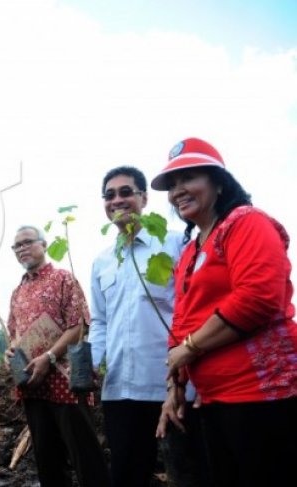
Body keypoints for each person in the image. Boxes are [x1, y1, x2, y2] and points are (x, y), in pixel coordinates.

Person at [152, 137, 297, 487]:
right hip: (214, 398)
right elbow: (183, 321)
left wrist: (189, 348)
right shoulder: (189, 252)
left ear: (219, 182)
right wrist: (175, 387)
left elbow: (258, 297)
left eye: (188, 178)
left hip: (262, 394)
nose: (177, 191)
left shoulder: (246, 223)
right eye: (172, 185)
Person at [90, 166, 206, 487]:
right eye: (110, 195)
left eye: (126, 192)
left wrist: (184, 375)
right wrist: (91, 363)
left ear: (143, 198)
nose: (118, 200)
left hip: (170, 383)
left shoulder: (174, 244)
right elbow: (99, 321)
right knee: (127, 474)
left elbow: (192, 307)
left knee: (187, 471)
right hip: (119, 389)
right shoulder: (103, 261)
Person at [5, 225, 110, 487]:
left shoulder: (63, 279)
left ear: (44, 245)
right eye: (17, 246)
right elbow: (14, 335)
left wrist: (49, 357)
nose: (22, 249)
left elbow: (78, 326)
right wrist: (11, 351)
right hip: (33, 386)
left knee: (85, 454)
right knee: (47, 460)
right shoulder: (17, 293)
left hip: (66, 380)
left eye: (27, 242)